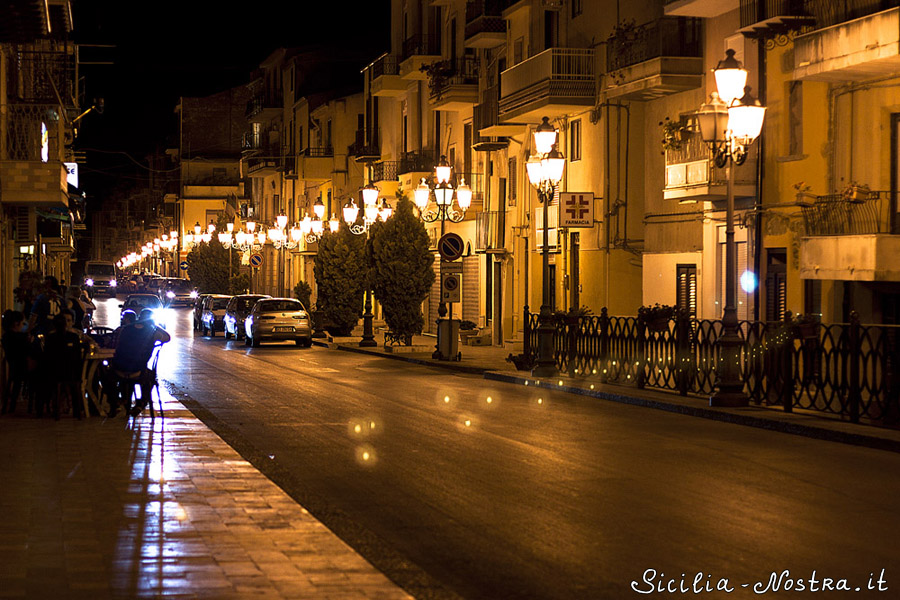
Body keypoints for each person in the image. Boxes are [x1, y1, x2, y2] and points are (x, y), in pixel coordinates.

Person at [104, 308, 170, 417]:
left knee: (105, 375)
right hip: (139, 371)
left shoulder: (125, 329)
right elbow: (167, 338)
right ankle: (141, 404)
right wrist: (155, 326)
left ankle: (115, 403)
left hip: (119, 369)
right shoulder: (153, 333)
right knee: (151, 377)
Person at [42, 310, 90, 420]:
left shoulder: (50, 337)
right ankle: (79, 410)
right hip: (72, 373)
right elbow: (78, 355)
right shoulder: (73, 337)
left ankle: (55, 409)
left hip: (53, 372)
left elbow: (46, 356)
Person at [1, 310, 29, 414]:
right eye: (22, 323)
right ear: (16, 323)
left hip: (13, 367)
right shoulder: (20, 338)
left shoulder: (5, 337)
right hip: (23, 368)